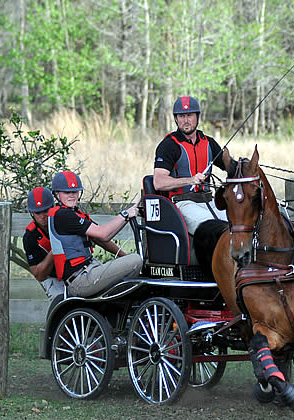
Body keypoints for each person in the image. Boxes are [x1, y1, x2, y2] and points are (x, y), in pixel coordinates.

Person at [152, 95, 229, 272]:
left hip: (209, 201)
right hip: (182, 203)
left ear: (197, 117)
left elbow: (229, 166)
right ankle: (215, 274)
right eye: (181, 116)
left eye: (190, 115)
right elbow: (158, 181)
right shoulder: (169, 145)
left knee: (237, 225)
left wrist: (243, 165)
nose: (186, 120)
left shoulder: (208, 142)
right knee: (214, 228)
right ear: (176, 119)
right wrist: (190, 179)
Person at [48, 171, 143, 297]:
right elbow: (103, 234)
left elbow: (103, 238)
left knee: (133, 264)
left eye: (75, 192)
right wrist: (126, 214)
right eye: (67, 192)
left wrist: (123, 255)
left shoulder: (75, 213)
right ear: (57, 194)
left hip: (90, 270)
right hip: (80, 281)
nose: (72, 195)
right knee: (137, 259)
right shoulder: (63, 216)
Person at [23, 186, 65, 301]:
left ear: (53, 207)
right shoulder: (30, 237)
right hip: (53, 277)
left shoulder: (64, 219)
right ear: (32, 213)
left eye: (46, 211)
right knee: (60, 302)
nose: (43, 216)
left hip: (76, 270)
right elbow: (39, 275)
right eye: (38, 212)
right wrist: (55, 249)